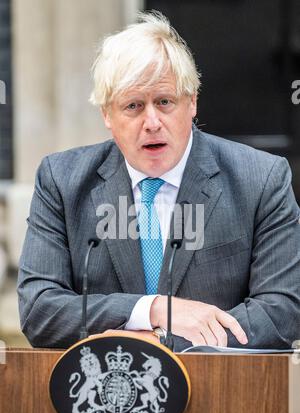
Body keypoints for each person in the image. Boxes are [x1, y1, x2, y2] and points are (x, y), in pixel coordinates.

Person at [18, 11, 300, 351]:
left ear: (192, 101)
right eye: (134, 106)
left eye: (164, 102)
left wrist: (161, 341)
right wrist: (151, 311)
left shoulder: (260, 179)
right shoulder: (62, 182)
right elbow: (39, 310)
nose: (152, 122)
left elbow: (281, 311)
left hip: (225, 393)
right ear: (107, 114)